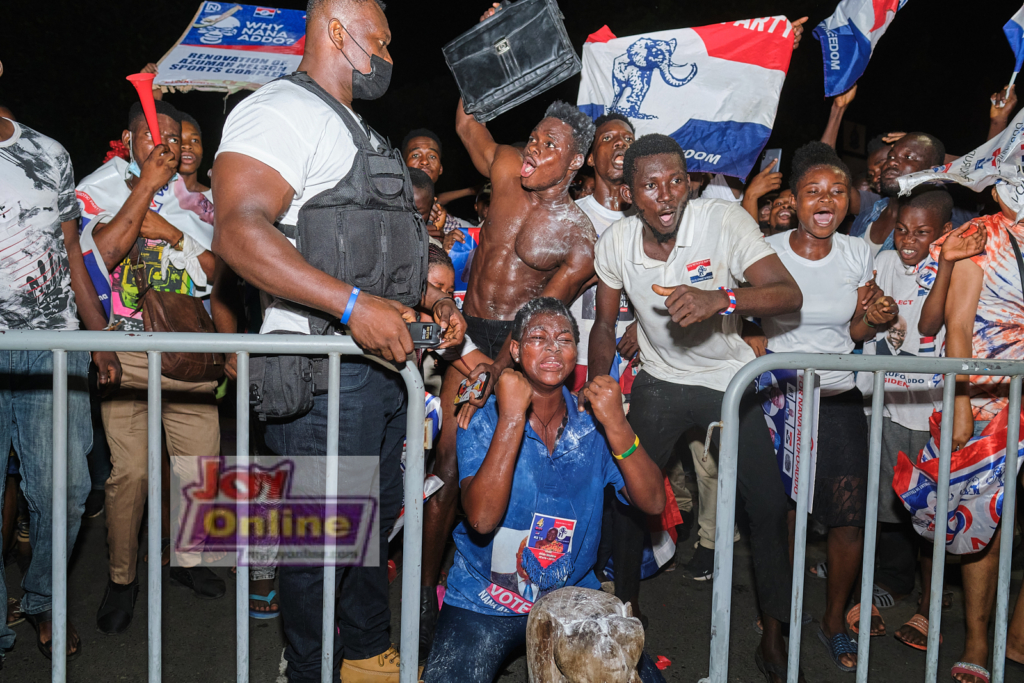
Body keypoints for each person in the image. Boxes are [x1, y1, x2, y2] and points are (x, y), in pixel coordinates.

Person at [212, 1, 463, 680]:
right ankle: (310, 667)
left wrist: (426, 304)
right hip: (322, 370)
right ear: (336, 31)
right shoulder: (279, 111)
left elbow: (370, 253)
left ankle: (363, 654)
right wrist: (353, 306)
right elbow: (237, 229)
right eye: (380, 39)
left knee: (365, 531)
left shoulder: (359, 129)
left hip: (375, 369)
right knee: (318, 545)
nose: (387, 53)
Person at [588, 133, 803, 681]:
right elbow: (607, 323)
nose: (666, 195)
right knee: (628, 496)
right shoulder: (615, 242)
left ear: (690, 182)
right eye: (651, 185)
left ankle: (773, 638)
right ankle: (626, 616)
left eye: (676, 181)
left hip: (730, 379)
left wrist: (723, 298)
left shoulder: (722, 222)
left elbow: (786, 294)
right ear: (628, 193)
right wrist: (599, 385)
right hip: (661, 380)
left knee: (768, 507)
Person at [418, 92, 598, 658]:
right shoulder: (502, 166)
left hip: (519, 345)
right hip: (468, 326)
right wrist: (490, 56)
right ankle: (423, 593)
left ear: (574, 164)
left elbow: (536, 318)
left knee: (508, 464)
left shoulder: (578, 235)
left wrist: (496, 373)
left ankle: (510, 586)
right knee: (446, 463)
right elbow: (466, 119)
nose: (535, 149)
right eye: (536, 138)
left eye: (551, 146)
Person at [423, 298, 667, 683]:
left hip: (572, 597)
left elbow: (653, 502)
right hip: (483, 599)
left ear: (575, 353)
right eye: (538, 337)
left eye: (564, 339)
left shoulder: (594, 424)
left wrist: (618, 424)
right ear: (516, 351)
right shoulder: (480, 414)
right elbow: (482, 520)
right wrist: (511, 417)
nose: (553, 347)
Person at [77, 99, 226, 635]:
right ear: (129, 139)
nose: (166, 144)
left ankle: (188, 561)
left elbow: (213, 272)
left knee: (200, 465)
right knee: (132, 472)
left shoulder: (197, 200)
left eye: (176, 136)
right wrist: (145, 195)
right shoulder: (103, 186)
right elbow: (97, 259)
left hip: (188, 348)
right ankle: (122, 579)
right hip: (127, 348)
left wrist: (174, 233)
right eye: (153, 135)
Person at [758, 141, 898, 672]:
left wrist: (877, 317)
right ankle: (781, 612)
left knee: (847, 519)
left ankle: (833, 619)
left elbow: (857, 328)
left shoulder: (859, 253)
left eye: (838, 190)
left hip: (839, 398)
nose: (827, 199)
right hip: (777, 400)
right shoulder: (766, 250)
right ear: (793, 199)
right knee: (784, 516)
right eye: (814, 190)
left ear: (849, 202)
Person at [0, 103, 119, 664]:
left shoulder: (48, 153)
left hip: (52, 345)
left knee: (67, 489)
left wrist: (98, 335)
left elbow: (72, 250)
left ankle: (45, 597)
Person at [857, 189, 965, 650]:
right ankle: (863, 592)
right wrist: (873, 312)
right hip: (885, 403)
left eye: (922, 232)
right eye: (902, 229)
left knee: (930, 518)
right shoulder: (882, 263)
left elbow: (928, 326)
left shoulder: (957, 268)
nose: (908, 240)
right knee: (877, 508)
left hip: (932, 411)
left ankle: (928, 606)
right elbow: (861, 325)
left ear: (942, 232)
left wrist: (941, 264)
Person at [941, 186, 1024, 683]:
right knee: (986, 523)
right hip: (992, 401)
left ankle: (1017, 638)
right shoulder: (981, 234)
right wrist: (961, 401)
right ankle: (976, 638)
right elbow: (957, 324)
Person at [567, 111, 636, 389]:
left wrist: (646, 331)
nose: (620, 143)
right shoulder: (569, 217)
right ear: (591, 158)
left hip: (638, 356)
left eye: (628, 138)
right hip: (575, 357)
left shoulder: (652, 219)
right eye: (608, 138)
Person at [849, 133, 946, 259]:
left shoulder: (935, 226)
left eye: (908, 156)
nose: (892, 162)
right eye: (890, 156)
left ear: (932, 172)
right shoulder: (865, 217)